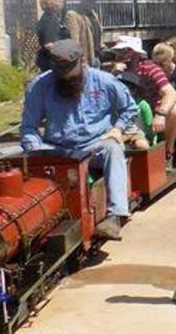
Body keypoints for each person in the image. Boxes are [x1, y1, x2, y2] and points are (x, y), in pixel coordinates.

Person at [20, 39, 136, 240]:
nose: (65, 77)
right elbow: (29, 126)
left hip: (94, 145)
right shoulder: (39, 86)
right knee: (2, 157)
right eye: (60, 72)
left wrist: (118, 129)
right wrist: (35, 149)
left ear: (82, 61)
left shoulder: (105, 81)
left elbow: (129, 108)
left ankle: (115, 216)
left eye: (69, 71)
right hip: (55, 148)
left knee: (113, 149)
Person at [109, 35, 176, 160]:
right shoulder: (117, 70)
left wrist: (160, 115)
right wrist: (113, 74)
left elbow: (171, 93)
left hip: (152, 109)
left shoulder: (150, 68)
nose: (120, 55)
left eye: (125, 50)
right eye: (118, 51)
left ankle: (168, 152)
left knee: (174, 110)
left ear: (136, 53)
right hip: (126, 111)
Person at [35, 0, 70, 71]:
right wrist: (64, 58)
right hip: (52, 61)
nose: (62, 3)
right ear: (53, 4)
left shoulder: (50, 17)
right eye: (60, 1)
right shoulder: (50, 20)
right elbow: (49, 45)